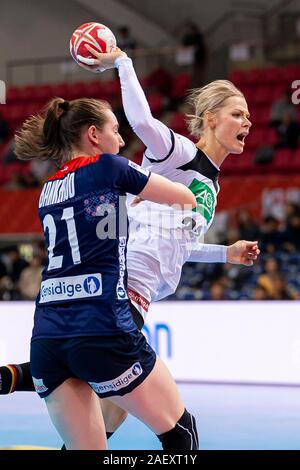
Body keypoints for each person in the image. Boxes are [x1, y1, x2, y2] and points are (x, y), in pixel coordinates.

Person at [0, 51, 259, 447]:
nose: (248, 122)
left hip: (124, 297)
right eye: (237, 114)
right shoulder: (179, 154)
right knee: (163, 420)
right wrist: (123, 62)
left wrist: (226, 253)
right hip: (120, 290)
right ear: (210, 119)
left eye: (247, 116)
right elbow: (141, 121)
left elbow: (174, 245)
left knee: (102, 400)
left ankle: (19, 377)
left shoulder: (210, 183)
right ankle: (20, 376)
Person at [6, 96, 197, 451]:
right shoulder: (110, 166)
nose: (122, 140)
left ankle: (16, 375)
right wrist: (141, 194)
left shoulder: (47, 190)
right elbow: (185, 198)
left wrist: (126, 203)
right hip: (104, 328)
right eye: (115, 130)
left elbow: (96, 222)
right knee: (181, 435)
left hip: (47, 337)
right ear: (94, 134)